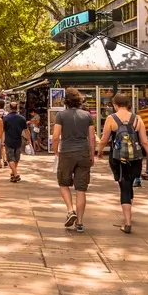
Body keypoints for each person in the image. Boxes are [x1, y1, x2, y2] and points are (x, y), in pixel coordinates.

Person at [97, 94, 148, 234]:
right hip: (135, 159)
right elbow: (144, 142)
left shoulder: (111, 118)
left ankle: (127, 222)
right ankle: (129, 210)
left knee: (124, 186)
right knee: (129, 184)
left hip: (118, 158)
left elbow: (104, 139)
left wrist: (99, 151)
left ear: (115, 104)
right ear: (128, 104)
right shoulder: (137, 119)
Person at [51, 89, 94, 232]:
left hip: (67, 152)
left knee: (63, 183)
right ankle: (80, 223)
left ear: (66, 101)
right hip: (83, 153)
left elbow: (56, 136)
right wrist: (92, 154)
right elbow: (92, 137)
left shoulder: (61, 115)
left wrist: (56, 150)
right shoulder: (87, 115)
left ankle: (70, 210)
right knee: (81, 189)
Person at [3, 101, 30, 184]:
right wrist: (29, 140)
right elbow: (26, 130)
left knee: (10, 158)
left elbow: (3, 130)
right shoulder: (22, 118)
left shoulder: (6, 118)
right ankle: (14, 173)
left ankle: (15, 173)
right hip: (18, 141)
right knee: (16, 158)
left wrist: (1, 141)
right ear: (17, 108)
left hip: (9, 141)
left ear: (10, 108)